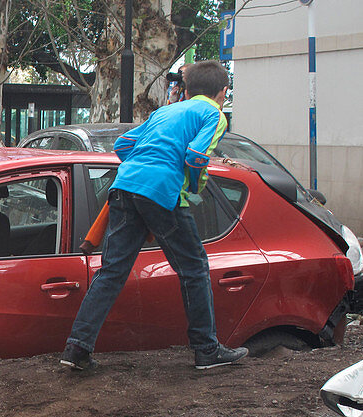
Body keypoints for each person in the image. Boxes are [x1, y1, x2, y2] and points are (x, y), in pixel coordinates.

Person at [59, 60, 247, 372]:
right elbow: (197, 156)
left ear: (186, 90)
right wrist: (194, 185)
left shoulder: (165, 111)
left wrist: (141, 170)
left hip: (123, 186)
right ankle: (206, 350)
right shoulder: (213, 114)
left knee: (112, 272)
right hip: (161, 191)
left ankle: (77, 347)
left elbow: (124, 144)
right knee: (194, 268)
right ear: (222, 92)